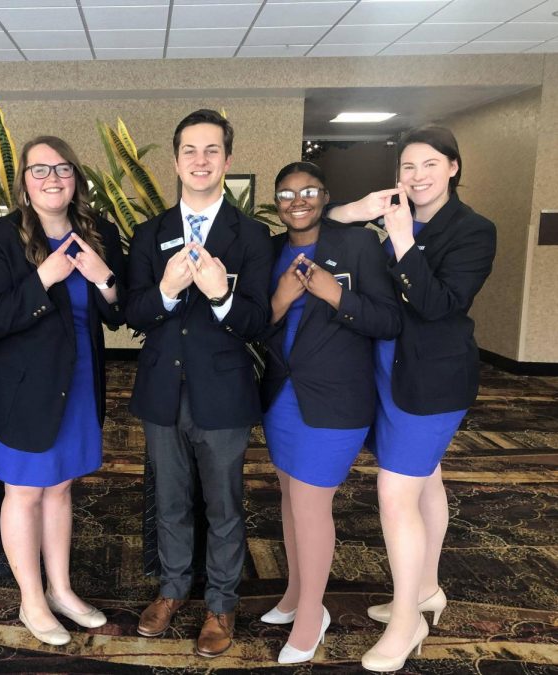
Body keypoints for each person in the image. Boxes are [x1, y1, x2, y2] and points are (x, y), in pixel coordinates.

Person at [327, 125, 497, 672]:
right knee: (428, 479)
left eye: (429, 164)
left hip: (433, 382)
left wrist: (401, 239)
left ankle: (407, 621)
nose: (417, 176)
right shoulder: (391, 214)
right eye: (407, 166)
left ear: (453, 167)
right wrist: (354, 212)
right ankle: (425, 588)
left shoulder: (474, 230)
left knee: (395, 492)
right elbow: (318, 231)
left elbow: (438, 304)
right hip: (386, 369)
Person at [0, 135, 125, 646]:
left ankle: (61, 589)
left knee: (60, 488)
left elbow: (120, 312)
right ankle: (31, 600)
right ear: (23, 183)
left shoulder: (98, 233)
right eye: (39, 170)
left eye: (62, 168)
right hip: (20, 389)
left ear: (75, 178)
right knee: (25, 492)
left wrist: (104, 281)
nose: (52, 178)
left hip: (78, 383)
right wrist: (44, 278)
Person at [126, 109, 273, 658]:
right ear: (176, 160)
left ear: (228, 161)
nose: (201, 160)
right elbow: (133, 315)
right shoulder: (150, 233)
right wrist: (165, 290)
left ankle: (221, 602)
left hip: (225, 394)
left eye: (212, 150)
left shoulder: (253, 236)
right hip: (163, 392)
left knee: (225, 506)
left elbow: (259, 320)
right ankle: (170, 590)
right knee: (169, 502)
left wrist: (220, 297)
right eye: (190, 150)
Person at [258, 162, 400, 664]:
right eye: (287, 194)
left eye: (309, 191)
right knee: (290, 496)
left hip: (337, 398)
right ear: (277, 202)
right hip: (282, 396)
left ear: (325, 196)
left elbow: (388, 319)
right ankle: (296, 593)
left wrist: (333, 293)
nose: (298, 201)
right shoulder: (272, 251)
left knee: (312, 503)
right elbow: (257, 322)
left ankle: (311, 615)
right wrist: (279, 300)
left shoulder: (357, 245)